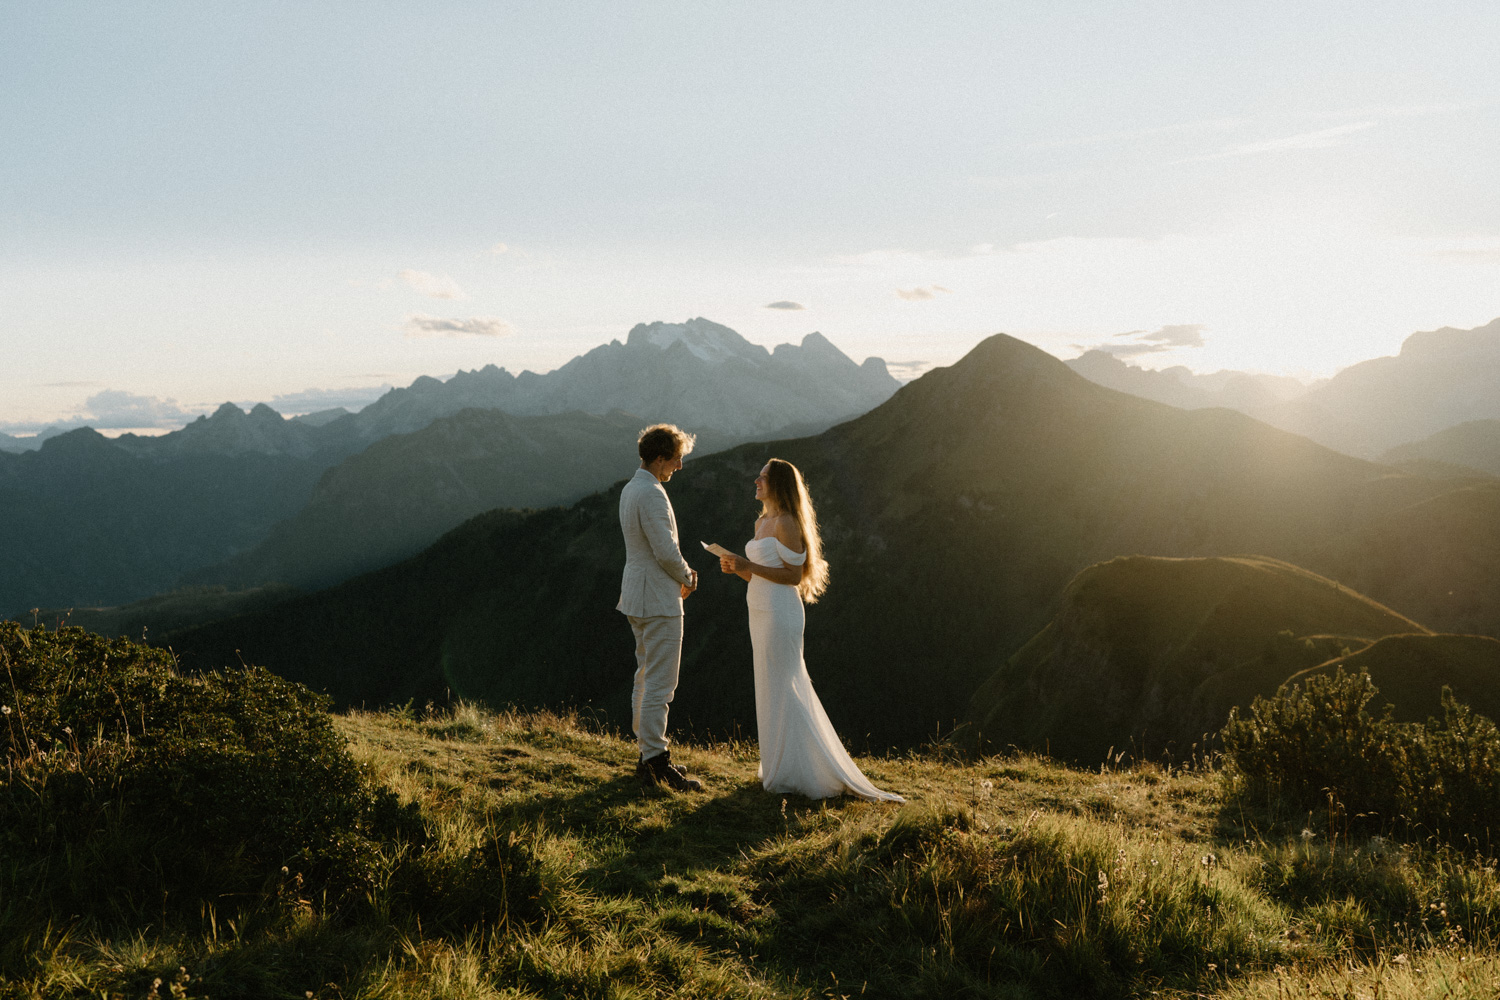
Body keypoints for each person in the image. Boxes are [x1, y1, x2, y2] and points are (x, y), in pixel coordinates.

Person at [718, 458, 904, 803]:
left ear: (778, 485)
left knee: (786, 684)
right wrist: (737, 568)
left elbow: (794, 575)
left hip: (779, 611)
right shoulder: (762, 522)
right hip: (758, 608)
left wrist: (749, 565)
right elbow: (758, 573)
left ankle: (806, 769)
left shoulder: (787, 523)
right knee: (769, 684)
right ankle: (779, 766)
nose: (756, 480)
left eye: (763, 477)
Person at [618, 423, 705, 792]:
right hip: (657, 598)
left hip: (636, 595)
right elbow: (665, 549)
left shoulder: (630, 488)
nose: (679, 466)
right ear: (659, 458)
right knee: (661, 683)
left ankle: (647, 751)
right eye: (676, 459)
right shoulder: (652, 493)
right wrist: (688, 576)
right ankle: (655, 761)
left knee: (644, 674)